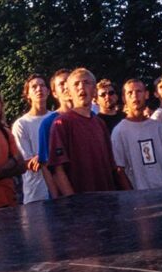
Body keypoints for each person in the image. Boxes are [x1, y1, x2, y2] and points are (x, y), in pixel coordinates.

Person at [48, 68, 130, 196]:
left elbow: (113, 167)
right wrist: (73, 201)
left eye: (86, 82)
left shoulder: (100, 123)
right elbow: (58, 170)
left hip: (107, 198)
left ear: (94, 91)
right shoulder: (61, 124)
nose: (81, 87)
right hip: (80, 201)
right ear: (69, 92)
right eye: (76, 84)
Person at [111, 79, 162, 191]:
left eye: (139, 91)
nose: (135, 96)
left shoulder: (158, 127)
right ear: (124, 98)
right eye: (130, 93)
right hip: (140, 193)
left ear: (146, 94)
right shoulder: (119, 131)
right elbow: (119, 170)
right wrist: (133, 195)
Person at [11, 73, 51, 204]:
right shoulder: (21, 124)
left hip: (59, 190)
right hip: (36, 193)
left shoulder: (57, 118)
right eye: (34, 87)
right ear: (27, 94)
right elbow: (28, 163)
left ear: (48, 91)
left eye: (42, 85)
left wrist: (41, 157)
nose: (39, 89)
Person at [36, 68, 72, 198]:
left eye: (69, 81)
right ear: (55, 93)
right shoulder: (49, 124)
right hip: (66, 199)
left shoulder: (90, 118)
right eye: (61, 83)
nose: (66, 86)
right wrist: (57, 199)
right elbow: (46, 166)